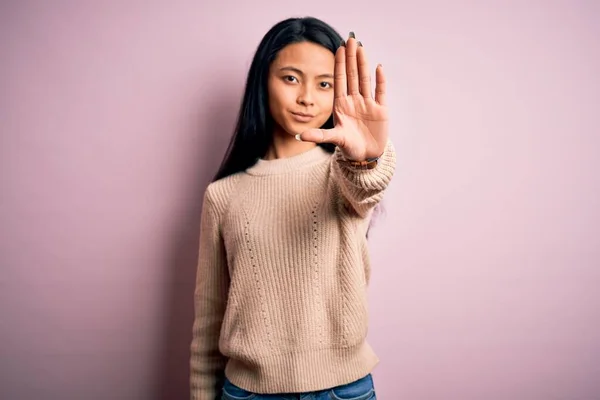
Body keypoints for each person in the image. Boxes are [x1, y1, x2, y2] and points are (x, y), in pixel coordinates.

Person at [190, 16, 396, 400]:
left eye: (324, 84)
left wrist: (368, 158)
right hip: (248, 393)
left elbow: (367, 186)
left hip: (343, 390)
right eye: (290, 78)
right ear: (263, 82)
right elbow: (208, 325)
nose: (306, 97)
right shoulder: (222, 196)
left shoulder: (343, 175)